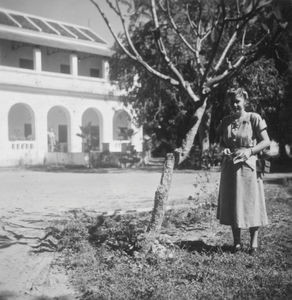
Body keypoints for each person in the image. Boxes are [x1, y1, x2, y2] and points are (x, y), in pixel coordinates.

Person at [217, 88, 270, 255]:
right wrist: (224, 149)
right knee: (234, 202)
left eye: (237, 101)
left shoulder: (253, 118)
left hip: (249, 166)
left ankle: (253, 243)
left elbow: (266, 141)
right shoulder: (225, 121)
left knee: (251, 202)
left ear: (244, 101)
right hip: (230, 167)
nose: (234, 104)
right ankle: (237, 242)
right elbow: (222, 143)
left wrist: (250, 151)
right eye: (232, 101)